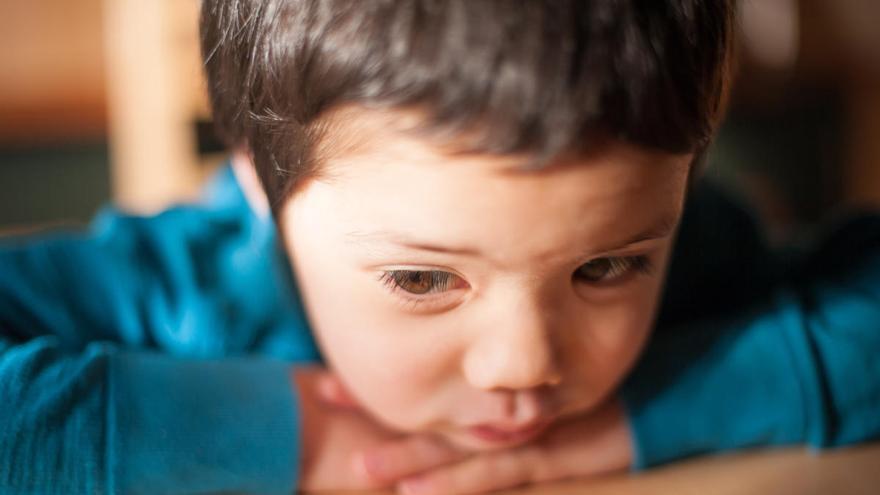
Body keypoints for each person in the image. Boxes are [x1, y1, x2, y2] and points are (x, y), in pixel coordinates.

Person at [1, 1, 878, 494]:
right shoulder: (183, 291)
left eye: (605, 267)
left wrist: (637, 417)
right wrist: (287, 435)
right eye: (422, 277)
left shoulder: (692, 244)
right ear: (260, 191)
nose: (523, 364)